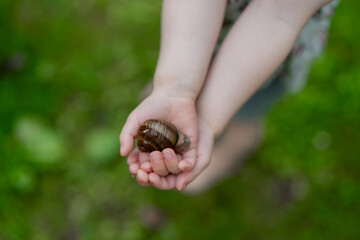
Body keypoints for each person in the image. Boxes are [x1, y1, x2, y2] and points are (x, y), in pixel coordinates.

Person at [119, 0, 339, 194]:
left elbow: (278, 15)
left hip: (258, 62)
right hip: (194, 32)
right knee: (184, 85)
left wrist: (209, 120)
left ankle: (237, 145)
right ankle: (179, 95)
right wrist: (174, 87)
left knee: (243, 115)